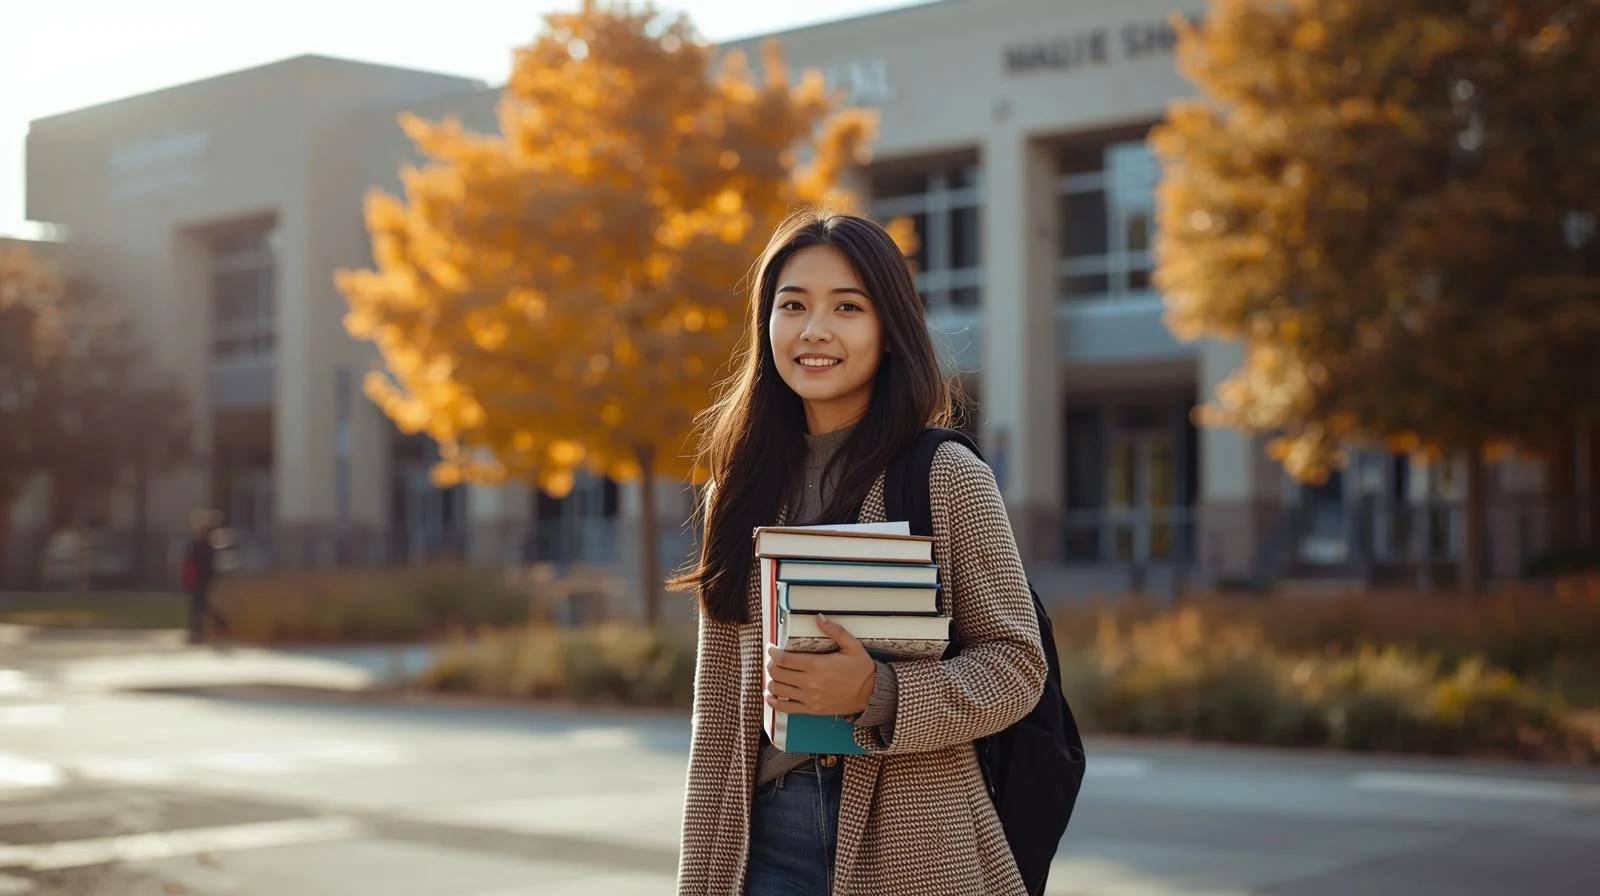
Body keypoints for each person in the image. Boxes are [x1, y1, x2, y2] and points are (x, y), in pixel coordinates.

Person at [671, 208, 1048, 896]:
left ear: (889, 331)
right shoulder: (738, 489)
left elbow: (1018, 665)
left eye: (847, 307)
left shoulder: (944, 474)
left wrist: (880, 692)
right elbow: (718, 716)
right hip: (763, 842)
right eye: (793, 306)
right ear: (767, 326)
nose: (815, 330)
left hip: (916, 838)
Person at [181, 509, 228, 645]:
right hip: (195, 579)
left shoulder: (205, 545)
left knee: (200, 606)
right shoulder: (196, 544)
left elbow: (206, 564)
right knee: (201, 606)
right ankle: (214, 626)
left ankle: (199, 632)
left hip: (203, 579)